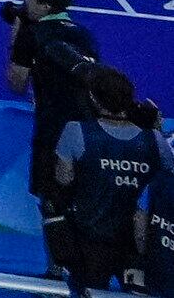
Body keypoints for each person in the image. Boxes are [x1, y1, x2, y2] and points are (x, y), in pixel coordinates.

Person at [48, 66, 162, 297]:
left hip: (89, 239)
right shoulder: (155, 140)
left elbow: (63, 178)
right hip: (138, 244)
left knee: (86, 292)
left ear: (93, 98)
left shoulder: (76, 131)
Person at [19, 0, 114, 236]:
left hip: (53, 128)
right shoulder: (84, 34)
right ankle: (83, 262)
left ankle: (56, 269)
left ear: (45, 5)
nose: (24, 3)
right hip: (91, 128)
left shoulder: (31, 33)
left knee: (52, 201)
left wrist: (17, 36)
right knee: (82, 197)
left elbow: (16, 83)